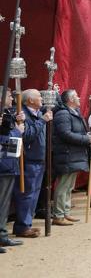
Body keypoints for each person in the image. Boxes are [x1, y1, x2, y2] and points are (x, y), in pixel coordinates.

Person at [52, 89, 91, 225]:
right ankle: (58, 215)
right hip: (66, 154)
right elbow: (65, 134)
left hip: (74, 154)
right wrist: (86, 139)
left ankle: (65, 212)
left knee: (69, 186)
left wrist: (87, 136)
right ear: (70, 99)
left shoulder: (75, 113)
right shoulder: (63, 114)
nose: (79, 98)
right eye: (76, 96)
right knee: (63, 186)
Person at [12, 89, 52, 238]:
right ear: (30, 101)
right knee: (26, 194)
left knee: (34, 194)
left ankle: (27, 223)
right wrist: (42, 121)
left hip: (39, 159)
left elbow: (54, 103)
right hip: (28, 160)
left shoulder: (38, 113)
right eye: (39, 96)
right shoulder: (22, 114)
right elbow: (27, 136)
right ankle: (22, 226)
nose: (42, 99)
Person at [0, 87, 25, 252]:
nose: (12, 98)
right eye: (9, 96)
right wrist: (17, 130)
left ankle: (2, 235)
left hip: (8, 163)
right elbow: (4, 138)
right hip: (3, 163)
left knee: (4, 204)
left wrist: (16, 122)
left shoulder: (7, 114)